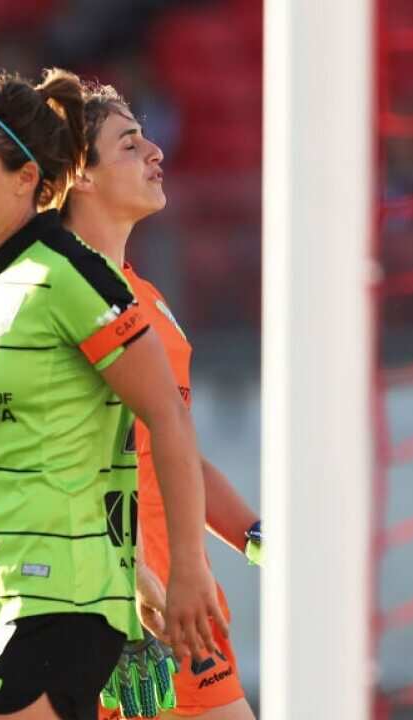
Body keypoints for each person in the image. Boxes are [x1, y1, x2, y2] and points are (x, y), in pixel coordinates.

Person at [0, 68, 225, 720]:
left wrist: (186, 572)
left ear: (25, 178)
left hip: (54, 596)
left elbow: (166, 419)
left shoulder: (71, 276)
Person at [60, 82, 257, 720]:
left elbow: (174, 452)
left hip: (179, 594)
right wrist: (126, 589)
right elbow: (63, 459)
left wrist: (260, 539)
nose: (156, 151)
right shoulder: (63, 295)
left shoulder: (143, 293)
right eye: (129, 142)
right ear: (77, 176)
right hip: (122, 602)